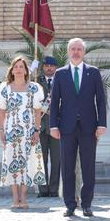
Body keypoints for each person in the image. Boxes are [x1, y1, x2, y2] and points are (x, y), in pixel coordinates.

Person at [50, 38, 107, 217]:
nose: (76, 52)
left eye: (79, 49)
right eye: (73, 49)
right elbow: (54, 103)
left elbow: (100, 100)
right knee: (67, 167)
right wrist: (53, 126)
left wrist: (102, 124)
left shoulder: (94, 73)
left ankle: (87, 204)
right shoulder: (60, 74)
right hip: (66, 127)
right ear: (68, 52)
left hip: (89, 127)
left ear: (84, 52)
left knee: (88, 166)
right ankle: (70, 204)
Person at [0, 55, 46, 209]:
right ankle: (15, 198)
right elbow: (2, 112)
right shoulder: (5, 88)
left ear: (26, 71)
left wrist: (37, 130)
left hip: (29, 130)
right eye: (16, 67)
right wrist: (2, 130)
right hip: (11, 131)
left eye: (21, 67)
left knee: (27, 163)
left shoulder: (34, 88)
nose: (18, 70)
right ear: (12, 70)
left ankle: (24, 196)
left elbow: (38, 112)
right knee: (12, 162)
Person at [36, 56, 61, 198]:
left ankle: (54, 189)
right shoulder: (36, 81)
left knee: (56, 159)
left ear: (56, 67)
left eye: (52, 65)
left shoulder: (61, 81)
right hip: (40, 126)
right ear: (42, 67)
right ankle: (43, 189)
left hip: (56, 125)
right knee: (41, 159)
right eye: (46, 66)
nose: (49, 68)